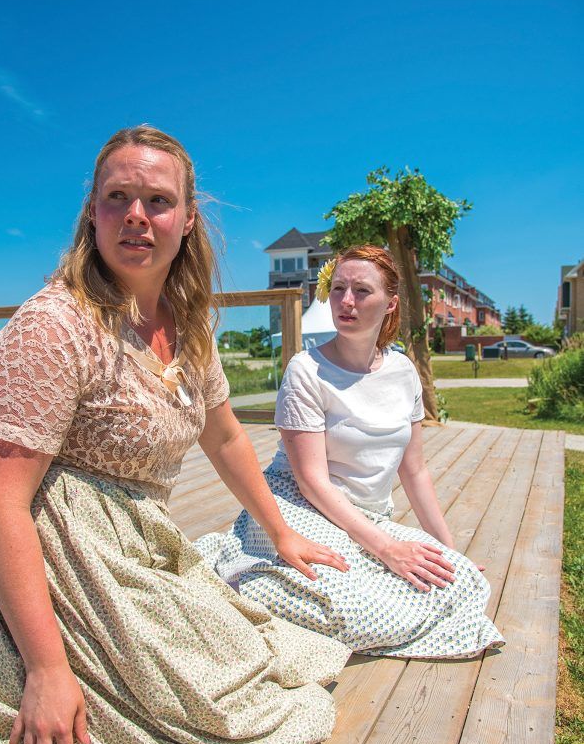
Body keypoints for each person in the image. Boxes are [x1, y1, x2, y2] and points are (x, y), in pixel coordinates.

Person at [0, 127, 351, 744]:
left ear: (187, 219)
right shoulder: (53, 328)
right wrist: (48, 669)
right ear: (92, 211)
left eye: (157, 200)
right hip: (54, 547)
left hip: (134, 541)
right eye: (119, 198)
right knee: (222, 716)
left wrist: (281, 529)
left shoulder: (186, 324)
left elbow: (226, 434)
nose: (137, 215)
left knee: (254, 663)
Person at [196, 245, 504, 659]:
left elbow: (415, 472)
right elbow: (311, 482)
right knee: (348, 604)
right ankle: (244, 575)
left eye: (361, 291)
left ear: (390, 303)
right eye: (339, 287)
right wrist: (386, 549)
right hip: (300, 506)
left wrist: (448, 551)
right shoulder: (306, 371)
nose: (345, 301)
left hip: (367, 516)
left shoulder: (404, 371)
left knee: (461, 581)